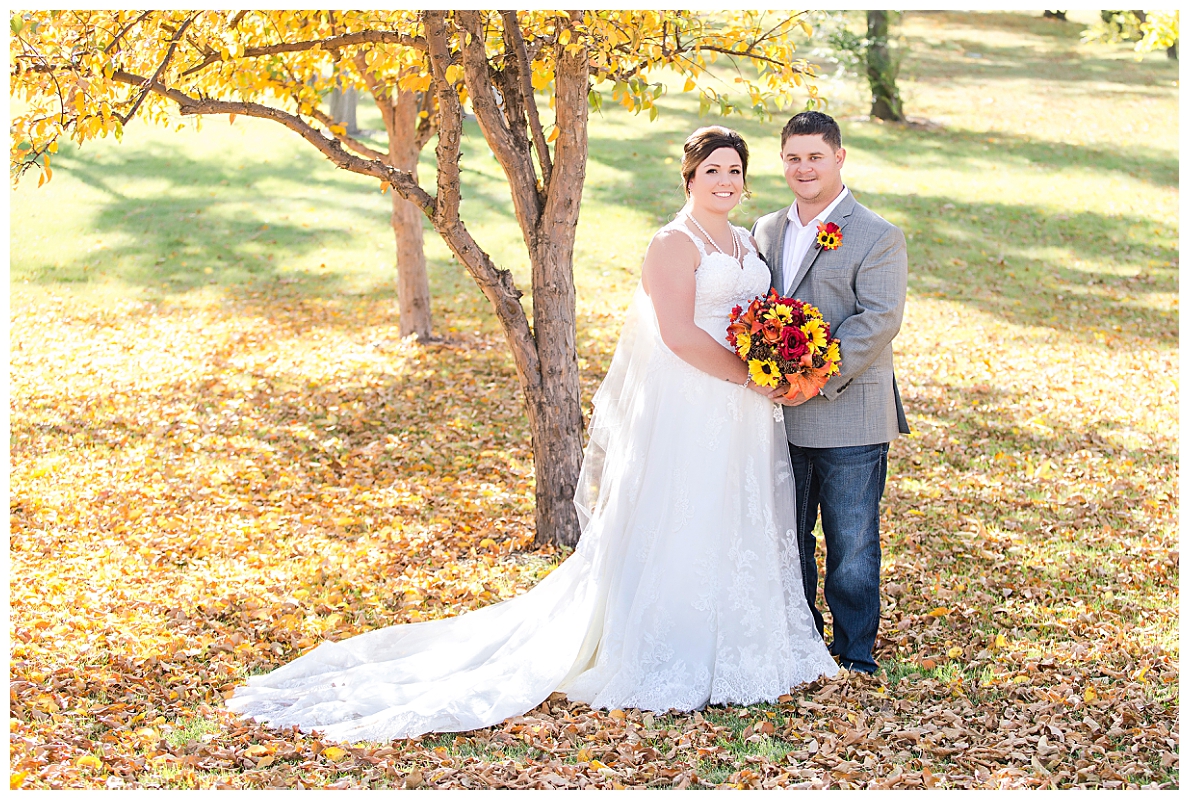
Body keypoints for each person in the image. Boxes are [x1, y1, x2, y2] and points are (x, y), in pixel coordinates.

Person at [226, 126, 838, 743]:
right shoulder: (672, 243)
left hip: (747, 411)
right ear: (689, 179)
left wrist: (778, 365)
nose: (726, 182)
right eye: (713, 172)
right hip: (694, 405)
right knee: (687, 512)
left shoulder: (743, 241)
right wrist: (752, 377)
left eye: (734, 171)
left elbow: (755, 317)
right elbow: (678, 336)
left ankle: (746, 644)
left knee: (738, 512)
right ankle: (674, 647)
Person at [751, 111, 909, 675]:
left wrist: (813, 378)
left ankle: (855, 651)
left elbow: (879, 319)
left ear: (839, 158)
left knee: (851, 541)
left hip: (849, 412)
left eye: (815, 156)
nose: (803, 167)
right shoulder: (766, 231)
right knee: (787, 535)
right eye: (793, 157)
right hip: (779, 417)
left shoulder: (877, 234)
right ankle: (802, 641)